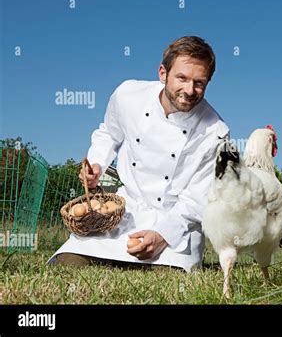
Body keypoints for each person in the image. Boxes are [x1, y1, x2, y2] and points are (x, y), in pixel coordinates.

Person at [48, 36, 229, 272]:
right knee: (69, 264)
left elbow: (198, 198)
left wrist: (163, 235)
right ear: (163, 73)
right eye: (181, 78)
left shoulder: (216, 132)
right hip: (126, 211)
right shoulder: (128, 95)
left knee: (167, 279)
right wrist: (96, 165)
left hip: (176, 221)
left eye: (199, 83)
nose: (189, 90)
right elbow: (108, 133)